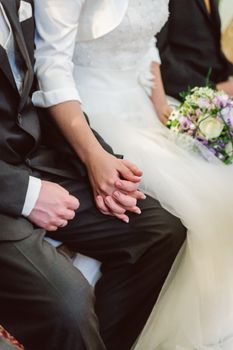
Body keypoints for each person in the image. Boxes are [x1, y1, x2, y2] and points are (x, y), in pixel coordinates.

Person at [33, 0, 233, 349]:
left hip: (139, 106)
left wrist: (163, 112)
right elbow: (51, 65)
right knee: (187, 213)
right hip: (88, 115)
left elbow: (146, 43)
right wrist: (94, 155)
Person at [0, 1, 186, 350]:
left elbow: (34, 92)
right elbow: (53, 63)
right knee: (68, 304)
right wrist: (27, 194)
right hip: (7, 187)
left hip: (36, 157)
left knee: (158, 231)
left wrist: (99, 158)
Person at [157, 0, 233, 101]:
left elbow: (207, 50)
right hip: (181, 97)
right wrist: (212, 90)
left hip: (215, 87)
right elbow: (158, 56)